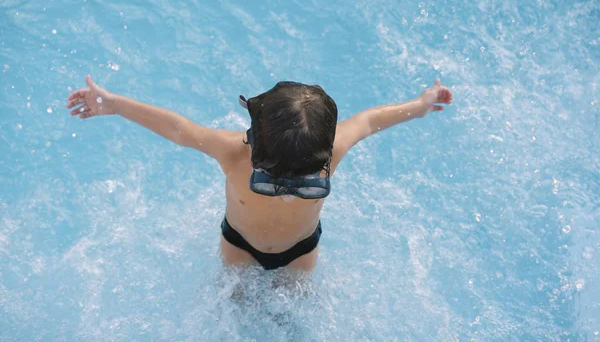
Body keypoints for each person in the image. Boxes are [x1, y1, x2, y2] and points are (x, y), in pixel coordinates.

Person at [66, 76, 452, 271]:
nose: (286, 194)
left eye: (305, 186)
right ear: (256, 147)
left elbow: (370, 121)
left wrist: (420, 105)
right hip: (239, 245)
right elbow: (177, 129)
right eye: (270, 182)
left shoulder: (327, 153)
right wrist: (114, 104)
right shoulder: (235, 152)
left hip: (301, 252)